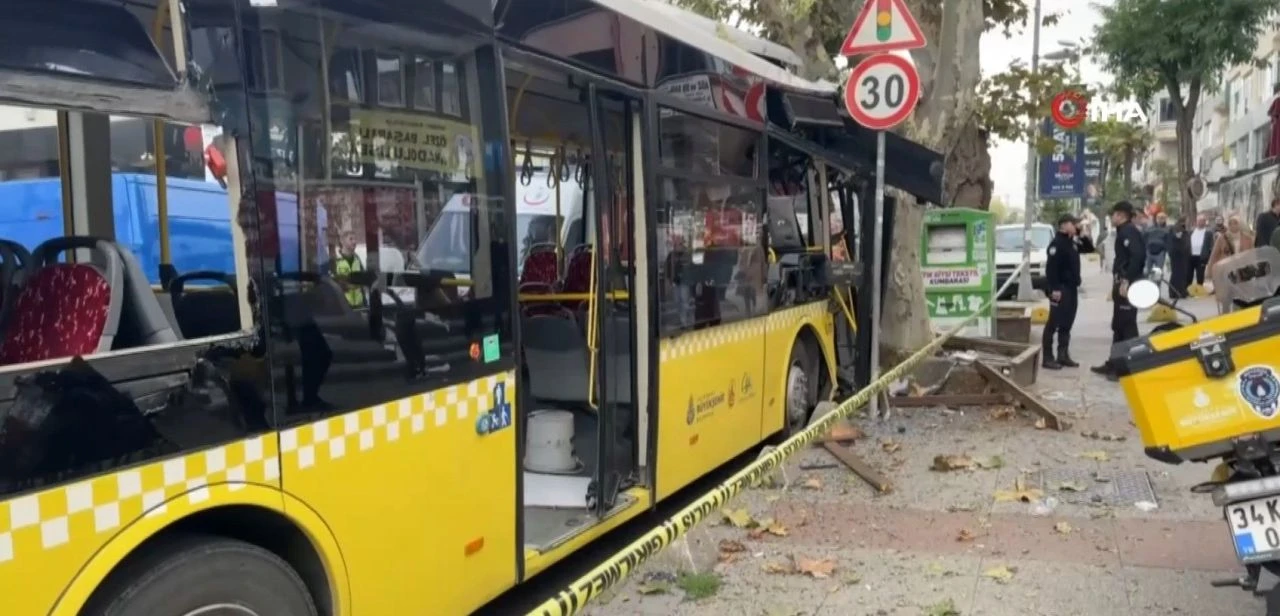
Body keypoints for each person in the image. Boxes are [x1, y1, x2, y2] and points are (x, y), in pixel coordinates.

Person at [1091, 201, 1145, 380]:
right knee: (1119, 325)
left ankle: (1128, 367)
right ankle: (1114, 363)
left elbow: (1137, 257)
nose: (1111, 218)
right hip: (1121, 283)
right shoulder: (1123, 231)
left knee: (1127, 327)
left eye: (1113, 215)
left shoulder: (1129, 232)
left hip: (1127, 285)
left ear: (1121, 215)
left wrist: (1127, 280)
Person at [1042, 214, 1082, 369]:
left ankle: (1063, 355)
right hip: (1060, 288)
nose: (1076, 226)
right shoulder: (1056, 244)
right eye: (1073, 223)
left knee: (1067, 322)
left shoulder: (1071, 243)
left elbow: (1089, 248)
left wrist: (1083, 235)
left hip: (1071, 288)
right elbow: (1051, 269)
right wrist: (1055, 289)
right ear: (1064, 225)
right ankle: (1047, 357)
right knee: (1053, 322)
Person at [334, 232, 366, 308]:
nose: (354, 242)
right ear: (342, 241)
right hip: (343, 307)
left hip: (359, 306)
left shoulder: (357, 260)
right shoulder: (336, 260)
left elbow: (364, 280)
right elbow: (334, 283)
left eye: (355, 239)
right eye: (351, 239)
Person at [1167, 217, 1191, 298]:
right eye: (1187, 221)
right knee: (1178, 274)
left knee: (1180, 274)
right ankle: (1177, 292)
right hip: (1178, 255)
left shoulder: (1180, 228)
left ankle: (1178, 291)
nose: (1188, 223)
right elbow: (1177, 238)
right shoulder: (1177, 228)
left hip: (1182, 255)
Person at [1143, 212, 1170, 277]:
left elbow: (1169, 241)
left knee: (1158, 273)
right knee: (1146, 272)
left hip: (1160, 253)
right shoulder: (1150, 228)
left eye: (1162, 218)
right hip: (1149, 252)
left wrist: (1166, 250)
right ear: (1156, 219)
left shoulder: (1167, 230)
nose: (1160, 219)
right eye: (1158, 218)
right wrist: (1146, 247)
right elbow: (1144, 237)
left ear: (1165, 219)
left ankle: (1157, 283)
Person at [1189, 215, 1212, 287]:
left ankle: (1199, 290)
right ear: (1196, 222)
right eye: (1199, 221)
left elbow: (1211, 246)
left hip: (1201, 257)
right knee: (1188, 275)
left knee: (1200, 276)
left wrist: (1208, 257)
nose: (1201, 222)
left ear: (1205, 222)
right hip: (1190, 256)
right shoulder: (1191, 231)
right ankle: (1188, 290)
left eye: (1202, 221)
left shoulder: (1208, 233)